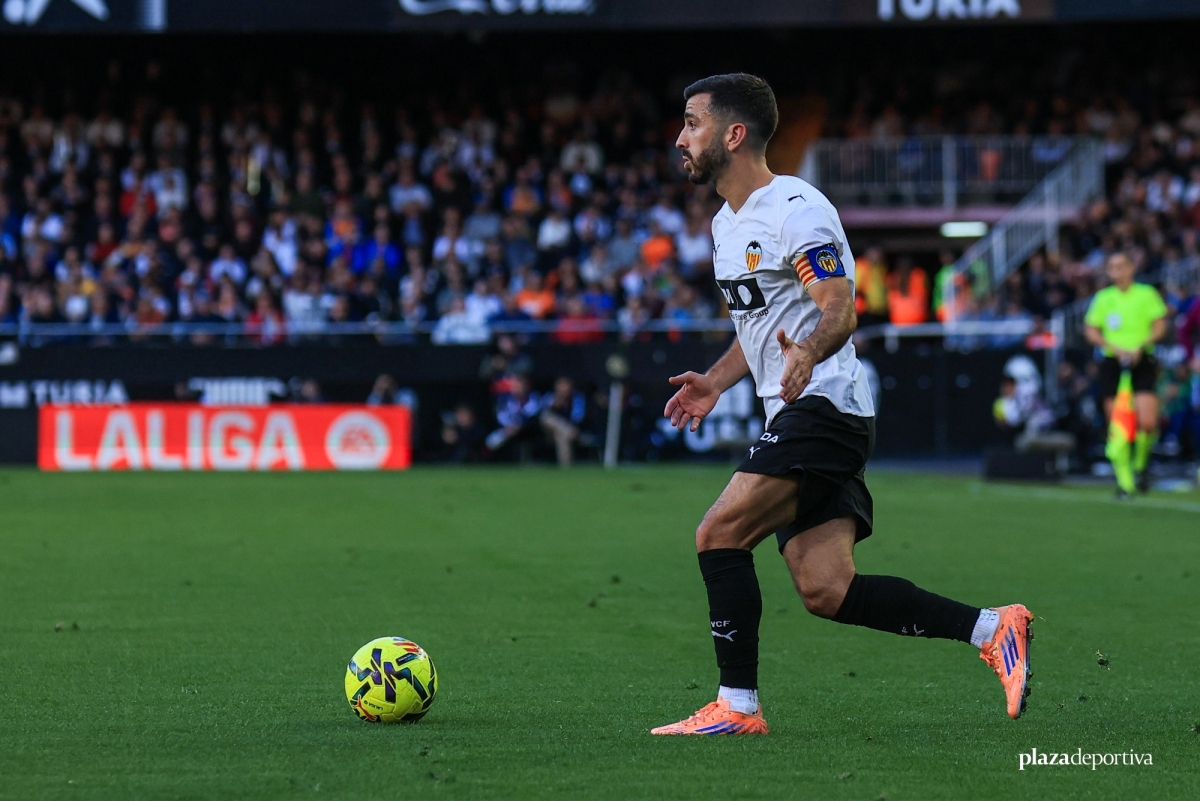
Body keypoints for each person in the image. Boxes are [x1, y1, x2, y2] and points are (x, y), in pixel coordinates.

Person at [654, 74, 1032, 737]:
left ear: (733, 134)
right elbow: (763, 325)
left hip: (825, 408)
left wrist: (807, 353)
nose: (681, 137)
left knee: (718, 532)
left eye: (692, 123)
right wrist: (717, 380)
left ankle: (737, 706)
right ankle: (993, 627)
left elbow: (837, 306)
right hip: (802, 412)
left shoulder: (796, 209)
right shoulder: (724, 224)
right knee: (826, 587)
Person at [1083, 252, 1168, 497]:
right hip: (1112, 361)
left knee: (1147, 421)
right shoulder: (1103, 298)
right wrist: (1112, 347)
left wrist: (1141, 345)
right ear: (1108, 272)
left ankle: (1140, 466)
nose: (1118, 271)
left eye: (1122, 266)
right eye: (1113, 267)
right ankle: (1125, 482)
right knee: (1118, 425)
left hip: (1142, 360)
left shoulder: (1146, 294)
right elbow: (1091, 330)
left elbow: (1160, 325)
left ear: (1132, 268)